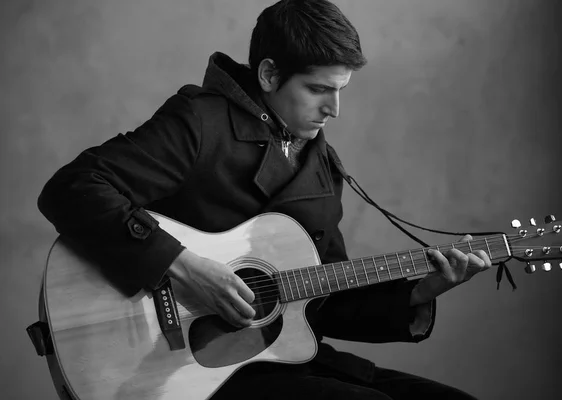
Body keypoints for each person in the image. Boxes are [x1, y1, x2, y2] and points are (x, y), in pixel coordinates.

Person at [38, 0, 491, 398]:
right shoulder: (200, 122)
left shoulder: (321, 164)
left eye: (341, 90)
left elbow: (325, 300)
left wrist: (422, 290)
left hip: (273, 360)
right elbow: (73, 188)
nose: (334, 109)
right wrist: (181, 265)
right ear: (270, 74)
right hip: (184, 371)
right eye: (318, 89)